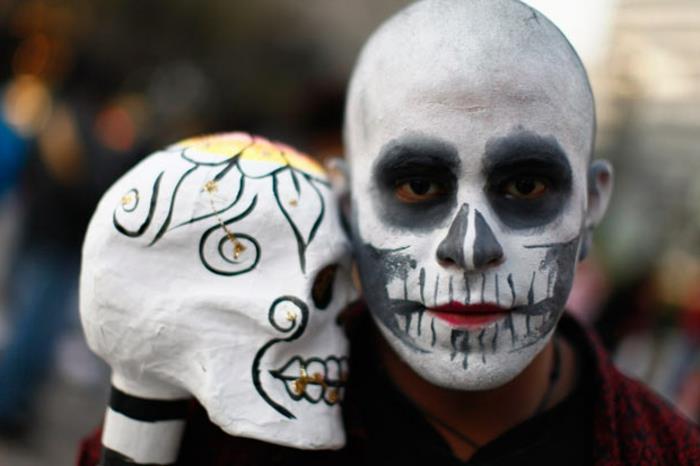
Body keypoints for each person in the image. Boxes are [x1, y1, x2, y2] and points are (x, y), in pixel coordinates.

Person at [78, 1, 700, 465]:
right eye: (418, 187)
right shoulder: (217, 424)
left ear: (591, 205)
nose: (469, 248)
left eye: (525, 187)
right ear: (346, 202)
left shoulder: (667, 453)